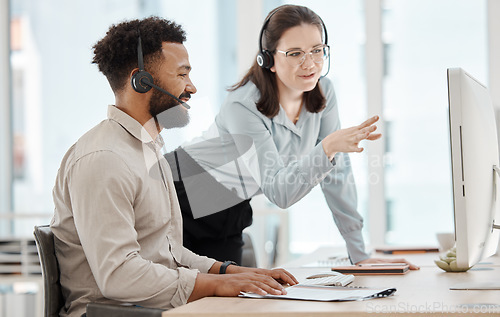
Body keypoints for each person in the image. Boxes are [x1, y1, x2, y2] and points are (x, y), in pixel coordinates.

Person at [50, 16, 297, 317]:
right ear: (141, 80)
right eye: (181, 75)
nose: (191, 87)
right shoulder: (104, 159)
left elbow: (169, 253)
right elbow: (118, 276)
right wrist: (214, 286)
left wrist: (230, 273)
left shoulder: (148, 149)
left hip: (152, 309)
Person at [168, 5, 419, 269]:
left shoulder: (324, 92)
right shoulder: (242, 105)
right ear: (269, 60)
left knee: (227, 304)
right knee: (186, 299)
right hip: (181, 192)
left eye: (317, 50)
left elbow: (337, 175)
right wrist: (328, 147)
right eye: (295, 53)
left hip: (231, 206)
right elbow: (280, 192)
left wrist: (360, 254)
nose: (309, 63)